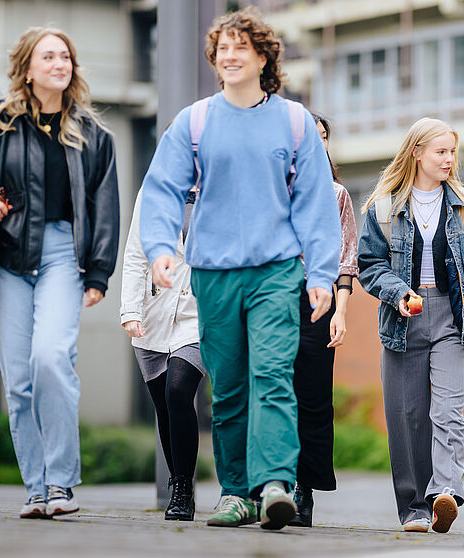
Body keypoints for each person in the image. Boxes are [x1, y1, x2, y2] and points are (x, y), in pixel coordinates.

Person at [138, 7, 341, 531]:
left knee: (272, 374)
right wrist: (162, 247)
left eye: (239, 47)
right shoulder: (196, 121)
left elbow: (316, 205)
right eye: (222, 48)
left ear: (262, 56)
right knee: (227, 387)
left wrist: (321, 275)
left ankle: (274, 482)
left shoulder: (294, 122)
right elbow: (161, 189)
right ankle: (235, 492)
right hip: (214, 271)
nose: (229, 55)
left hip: (276, 270)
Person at [0, 27, 119, 519]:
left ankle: (60, 483)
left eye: (66, 56)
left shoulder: (95, 136)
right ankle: (36, 489)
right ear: (27, 67)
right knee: (18, 380)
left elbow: (104, 207)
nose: (60, 63)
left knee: (52, 358)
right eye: (49, 55)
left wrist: (99, 273)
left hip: (63, 254)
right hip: (7, 255)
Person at [357, 117, 464, 533]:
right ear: (417, 153)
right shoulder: (384, 207)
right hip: (403, 314)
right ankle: (413, 509)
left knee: (447, 411)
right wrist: (398, 292)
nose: (448, 160)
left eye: (452, 152)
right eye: (441, 151)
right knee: (407, 417)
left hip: (452, 315)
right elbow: (368, 265)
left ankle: (443, 492)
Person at [288, 114, 358, 528]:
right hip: (274, 297)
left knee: (313, 396)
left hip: (320, 300)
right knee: (273, 388)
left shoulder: (337, 194)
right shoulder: (275, 189)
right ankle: (267, 484)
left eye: (323, 137)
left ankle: (304, 491)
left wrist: (342, 312)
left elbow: (346, 257)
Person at [120, 191, 204, 521]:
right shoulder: (153, 188)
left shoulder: (219, 177)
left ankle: (182, 488)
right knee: (164, 406)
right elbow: (135, 254)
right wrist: (130, 309)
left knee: (179, 391)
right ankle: (178, 480)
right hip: (153, 313)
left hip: (199, 311)